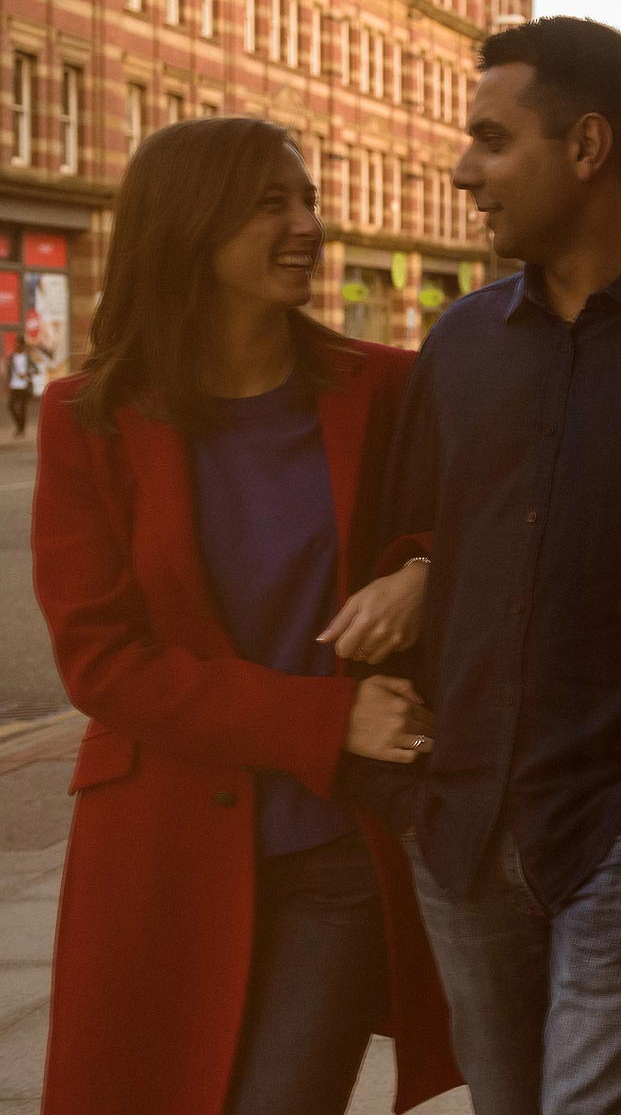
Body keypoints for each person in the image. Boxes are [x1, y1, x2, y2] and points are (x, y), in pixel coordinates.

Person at [353, 16, 621, 1115]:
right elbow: (417, 536)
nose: (461, 169)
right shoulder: (461, 342)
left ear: (585, 147)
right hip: (463, 827)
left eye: (491, 137)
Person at [30, 117, 458, 1115]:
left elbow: (485, 526)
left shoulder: (385, 388)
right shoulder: (86, 420)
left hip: (334, 850)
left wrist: (432, 571)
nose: (306, 225)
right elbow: (102, 664)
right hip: (161, 849)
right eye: (272, 204)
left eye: (305, 200)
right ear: (191, 225)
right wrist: (326, 720)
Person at [9, 341, 34, 436]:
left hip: (25, 386)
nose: (17, 346)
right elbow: (9, 371)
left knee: (23, 408)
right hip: (14, 385)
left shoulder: (27, 357)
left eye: (19, 344)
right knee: (11, 405)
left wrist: (26, 374)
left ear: (22, 346)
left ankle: (21, 430)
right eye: (16, 344)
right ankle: (20, 425)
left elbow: (35, 369)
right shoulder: (12, 357)